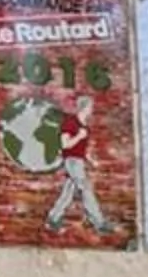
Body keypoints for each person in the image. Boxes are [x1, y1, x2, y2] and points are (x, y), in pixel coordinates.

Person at [46, 92, 112, 236]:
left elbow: (80, 149)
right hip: (72, 162)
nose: (92, 110)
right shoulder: (71, 122)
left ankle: (53, 218)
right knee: (86, 189)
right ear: (84, 107)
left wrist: (90, 159)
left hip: (79, 161)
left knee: (68, 192)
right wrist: (79, 136)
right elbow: (65, 145)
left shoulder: (84, 126)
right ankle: (99, 223)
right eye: (90, 107)